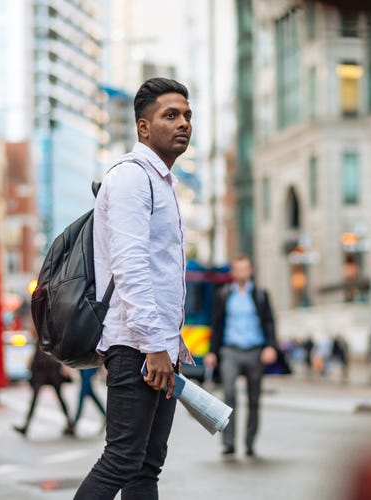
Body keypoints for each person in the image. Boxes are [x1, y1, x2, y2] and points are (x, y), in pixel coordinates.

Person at [74, 77, 194, 499]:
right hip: (137, 349)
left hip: (157, 348)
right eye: (170, 115)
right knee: (121, 460)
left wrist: (171, 344)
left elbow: (160, 275)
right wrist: (153, 346)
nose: (183, 124)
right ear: (144, 128)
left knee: (146, 469)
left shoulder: (161, 183)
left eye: (186, 116)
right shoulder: (130, 178)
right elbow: (130, 266)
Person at [204, 255, 278, 458]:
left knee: (254, 399)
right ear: (233, 273)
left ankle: (250, 442)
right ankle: (229, 442)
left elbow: (270, 322)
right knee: (229, 395)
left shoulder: (260, 294)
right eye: (238, 269)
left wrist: (270, 347)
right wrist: (212, 351)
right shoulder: (224, 294)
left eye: (245, 269)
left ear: (250, 271)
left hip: (255, 350)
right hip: (230, 350)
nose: (242, 273)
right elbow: (216, 324)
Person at [13, 348, 74, 437]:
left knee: (56, 398)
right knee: (56, 398)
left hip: (47, 368)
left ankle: (70, 423)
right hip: (47, 368)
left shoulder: (45, 336)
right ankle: (70, 423)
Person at [69, 367, 106, 436]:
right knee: (90, 392)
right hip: (82, 363)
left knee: (83, 392)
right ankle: (106, 417)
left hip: (91, 362)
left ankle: (74, 424)